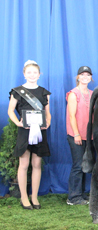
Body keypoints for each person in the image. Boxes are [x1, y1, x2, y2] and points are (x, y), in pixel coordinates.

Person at [8, 60, 51, 210]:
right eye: (29, 72)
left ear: (40, 74)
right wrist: (17, 122)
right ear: (24, 74)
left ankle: (34, 196)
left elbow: (47, 112)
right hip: (24, 131)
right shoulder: (17, 91)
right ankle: (24, 197)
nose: (32, 75)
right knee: (24, 164)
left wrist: (48, 122)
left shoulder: (44, 92)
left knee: (37, 164)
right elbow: (10, 110)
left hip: (39, 131)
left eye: (35, 72)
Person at [66, 66, 94, 205]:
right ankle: (73, 197)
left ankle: (81, 194)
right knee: (78, 165)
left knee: (85, 165)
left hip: (89, 136)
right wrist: (76, 134)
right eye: (82, 74)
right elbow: (72, 116)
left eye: (87, 75)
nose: (85, 77)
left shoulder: (92, 93)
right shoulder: (73, 94)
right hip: (76, 135)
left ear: (91, 78)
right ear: (77, 77)